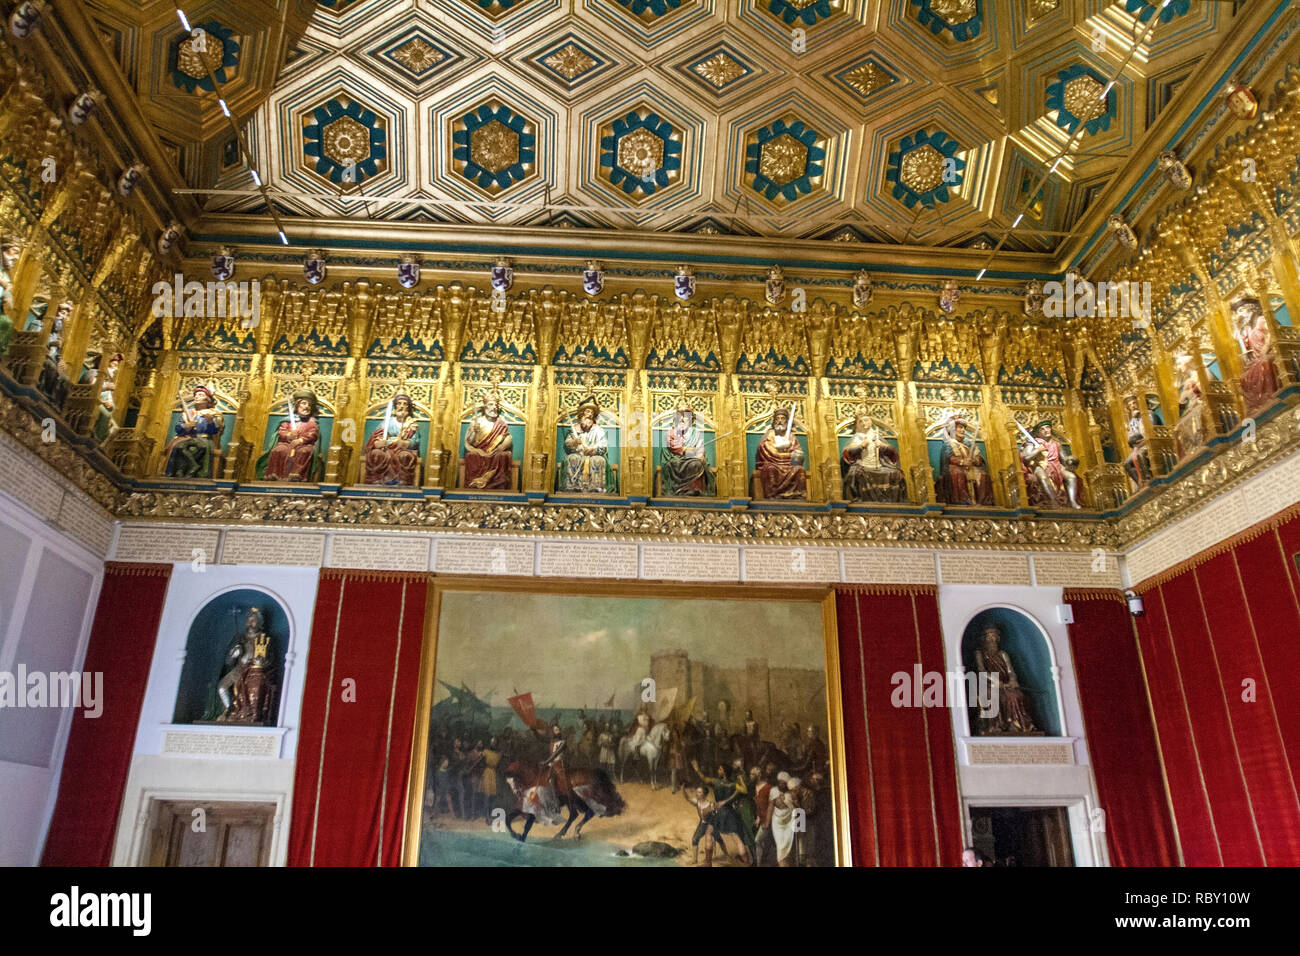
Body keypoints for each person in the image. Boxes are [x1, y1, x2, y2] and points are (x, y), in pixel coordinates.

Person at [974, 624, 1039, 735]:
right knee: (991, 695)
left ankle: (1017, 726)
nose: (992, 639)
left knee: (1016, 695)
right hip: (989, 684)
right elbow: (981, 670)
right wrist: (995, 681)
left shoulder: (1003, 654)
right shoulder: (979, 653)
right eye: (990, 636)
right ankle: (995, 726)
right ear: (984, 638)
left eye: (995, 636)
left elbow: (1010, 671)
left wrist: (1012, 680)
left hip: (1005, 684)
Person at [841, 412, 906, 502]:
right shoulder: (856, 438)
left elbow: (893, 452)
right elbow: (847, 453)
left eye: (866, 420)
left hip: (880, 465)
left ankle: (890, 501)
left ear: (870, 421)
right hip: (862, 465)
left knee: (895, 473)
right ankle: (863, 501)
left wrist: (883, 446)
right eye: (861, 421)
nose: (864, 423)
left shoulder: (877, 436)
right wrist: (861, 446)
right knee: (856, 475)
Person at [164, 385, 225, 478]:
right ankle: (182, 469)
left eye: (200, 395)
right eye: (196, 395)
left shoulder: (213, 413)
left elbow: (216, 430)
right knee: (178, 447)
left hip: (204, 438)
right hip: (187, 438)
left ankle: (198, 472)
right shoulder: (188, 413)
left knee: (202, 446)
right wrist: (186, 426)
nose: (197, 397)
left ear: (207, 399)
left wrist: (210, 422)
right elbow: (178, 428)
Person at [262, 388, 322, 481]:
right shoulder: (288, 420)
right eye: (304, 403)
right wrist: (289, 435)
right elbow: (281, 431)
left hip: (303, 445)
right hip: (286, 444)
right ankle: (274, 474)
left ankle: (297, 475)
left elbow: (313, 434)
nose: (307, 407)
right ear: (297, 405)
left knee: (304, 452)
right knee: (279, 450)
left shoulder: (312, 422)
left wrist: (301, 440)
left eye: (309, 405)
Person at [1019, 420, 1082, 509]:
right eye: (1042, 429)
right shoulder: (1032, 443)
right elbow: (1026, 458)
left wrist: (1071, 460)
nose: (1046, 430)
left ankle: (1072, 502)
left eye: (1048, 427)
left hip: (1056, 465)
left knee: (1071, 477)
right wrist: (1037, 450)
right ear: (1038, 432)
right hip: (1040, 465)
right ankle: (1053, 501)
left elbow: (1064, 459)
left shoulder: (1056, 444)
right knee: (1043, 478)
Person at [1234, 296, 1280, 412]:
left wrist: (1266, 346)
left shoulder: (1261, 320)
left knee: (1265, 363)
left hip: (1273, 351)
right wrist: (1238, 329)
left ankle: (1271, 396)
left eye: (1241, 311)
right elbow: (1240, 341)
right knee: (1244, 376)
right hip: (1257, 358)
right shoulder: (1248, 329)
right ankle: (1258, 405)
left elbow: (1273, 331)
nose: (1240, 315)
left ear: (1250, 308)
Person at [363, 392, 421, 485]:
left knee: (405, 456)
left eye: (405, 404)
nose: (401, 406)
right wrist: (378, 442)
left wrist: (405, 443)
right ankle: (377, 479)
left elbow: (415, 441)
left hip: (401, 449)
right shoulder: (387, 422)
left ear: (408, 407)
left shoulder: (411, 424)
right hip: (386, 448)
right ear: (395, 406)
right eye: (399, 403)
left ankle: (401, 480)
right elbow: (377, 435)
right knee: (376, 453)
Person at [660, 402, 714, 496]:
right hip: (675, 460)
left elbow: (700, 451)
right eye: (679, 416)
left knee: (696, 464)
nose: (682, 419)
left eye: (685, 416)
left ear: (690, 420)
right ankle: (679, 490)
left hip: (693, 460)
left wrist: (699, 453)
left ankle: (695, 489)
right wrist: (690, 451)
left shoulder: (696, 433)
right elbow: (672, 451)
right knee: (674, 464)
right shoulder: (671, 433)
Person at [463, 389, 514, 489]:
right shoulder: (476, 421)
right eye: (491, 404)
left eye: (496, 405)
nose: (494, 407)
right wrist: (474, 432)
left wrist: (500, 447)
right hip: (479, 453)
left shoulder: (501, 422)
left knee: (503, 456)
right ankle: (476, 484)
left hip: (495, 452)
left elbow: (508, 437)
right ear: (485, 406)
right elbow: (469, 442)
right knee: (471, 456)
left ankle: (498, 485)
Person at [938, 419, 994, 505]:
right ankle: (962, 499)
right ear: (953, 429)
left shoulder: (969, 443)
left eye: (964, 428)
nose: (963, 430)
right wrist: (962, 462)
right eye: (960, 427)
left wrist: (975, 460)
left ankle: (983, 501)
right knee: (958, 472)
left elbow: (978, 456)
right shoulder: (948, 444)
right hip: (956, 467)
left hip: (972, 467)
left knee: (984, 475)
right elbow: (948, 458)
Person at [561, 396, 611, 492]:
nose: (590, 415)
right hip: (578, 454)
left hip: (592, 455)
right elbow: (567, 444)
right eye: (588, 411)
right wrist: (574, 443)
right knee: (573, 458)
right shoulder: (574, 429)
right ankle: (573, 486)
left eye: (592, 413)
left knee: (598, 460)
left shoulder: (598, 430)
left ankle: (596, 486)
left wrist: (593, 450)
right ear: (582, 413)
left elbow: (603, 445)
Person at [755, 406, 806, 498]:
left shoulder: (791, 437)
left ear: (786, 421)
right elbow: (765, 450)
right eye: (777, 418)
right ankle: (773, 494)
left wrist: (796, 455)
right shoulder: (769, 435)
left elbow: (798, 453)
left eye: (782, 418)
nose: (780, 421)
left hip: (789, 465)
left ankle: (796, 494)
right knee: (770, 468)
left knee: (799, 469)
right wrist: (780, 450)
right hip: (773, 463)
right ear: (774, 421)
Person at [1123, 396, 1150, 489]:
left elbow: (1151, 431)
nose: (1133, 406)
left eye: (1134, 403)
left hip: (1148, 442)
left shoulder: (1148, 414)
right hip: (1138, 446)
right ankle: (1140, 483)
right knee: (1126, 464)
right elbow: (1131, 437)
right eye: (1130, 405)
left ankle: (1147, 478)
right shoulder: (1132, 422)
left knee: (1140, 455)